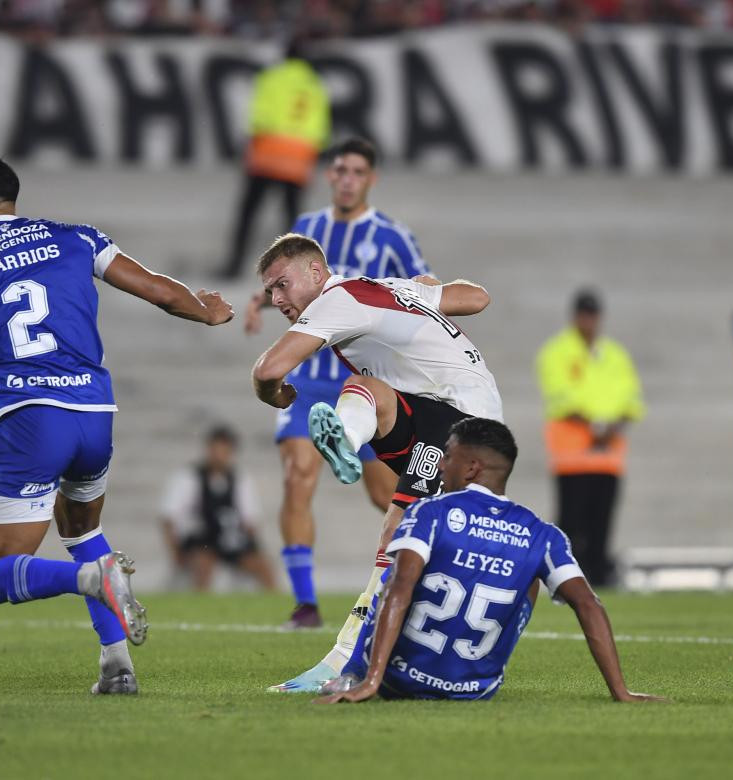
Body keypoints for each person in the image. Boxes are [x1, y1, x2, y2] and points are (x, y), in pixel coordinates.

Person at [0, 152, 233, 696]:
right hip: (95, 416)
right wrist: (205, 309)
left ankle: (91, 580)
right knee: (82, 530)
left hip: (31, 420)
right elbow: (155, 287)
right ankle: (117, 667)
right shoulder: (74, 236)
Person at [251, 233, 503, 692]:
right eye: (270, 291)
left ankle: (345, 662)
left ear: (315, 271)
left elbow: (267, 370)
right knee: (364, 389)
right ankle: (345, 441)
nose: (276, 299)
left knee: (398, 529)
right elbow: (478, 297)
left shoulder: (337, 299)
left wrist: (274, 395)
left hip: (463, 423)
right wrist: (419, 293)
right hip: (441, 409)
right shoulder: (388, 288)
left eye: (282, 284)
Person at [317, 417, 663, 703]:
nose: (440, 463)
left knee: (399, 571)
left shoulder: (430, 511)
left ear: (470, 468)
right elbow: (589, 603)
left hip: (398, 681)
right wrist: (621, 692)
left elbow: (400, 589)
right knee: (529, 574)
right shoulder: (542, 533)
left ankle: (353, 673)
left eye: (447, 455)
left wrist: (375, 680)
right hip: (476, 690)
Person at [243, 137, 432, 631]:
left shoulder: (392, 237)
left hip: (364, 383)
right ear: (329, 175)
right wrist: (259, 301)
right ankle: (305, 605)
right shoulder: (306, 229)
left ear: (371, 179)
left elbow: (425, 290)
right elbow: (283, 282)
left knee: (387, 495)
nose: (347, 179)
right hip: (309, 381)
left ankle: (425, 579)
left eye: (357, 172)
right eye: (340, 170)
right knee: (297, 477)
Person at [535, 289, 644, 587]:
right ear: (575, 317)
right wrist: (598, 427)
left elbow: (631, 399)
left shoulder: (615, 354)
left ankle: (599, 581)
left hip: (608, 458)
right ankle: (566, 582)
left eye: (592, 315)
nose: (588, 321)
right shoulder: (557, 352)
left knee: (601, 527)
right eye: (584, 314)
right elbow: (560, 398)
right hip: (572, 457)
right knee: (571, 525)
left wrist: (612, 426)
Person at [219, 38, 330, 280]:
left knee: (249, 212)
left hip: (268, 151)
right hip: (299, 157)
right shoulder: (314, 85)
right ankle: (295, 273)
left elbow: (259, 115)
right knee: (291, 218)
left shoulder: (271, 76)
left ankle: (234, 265)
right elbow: (321, 129)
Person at [160, 424, 277, 592]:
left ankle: (274, 607)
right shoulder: (189, 477)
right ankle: (200, 606)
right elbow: (169, 517)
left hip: (230, 538)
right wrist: (176, 551)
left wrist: (252, 548)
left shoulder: (240, 479)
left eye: (224, 450)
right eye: (215, 449)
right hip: (201, 540)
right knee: (203, 563)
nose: (219, 455)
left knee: (264, 567)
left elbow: (250, 520)